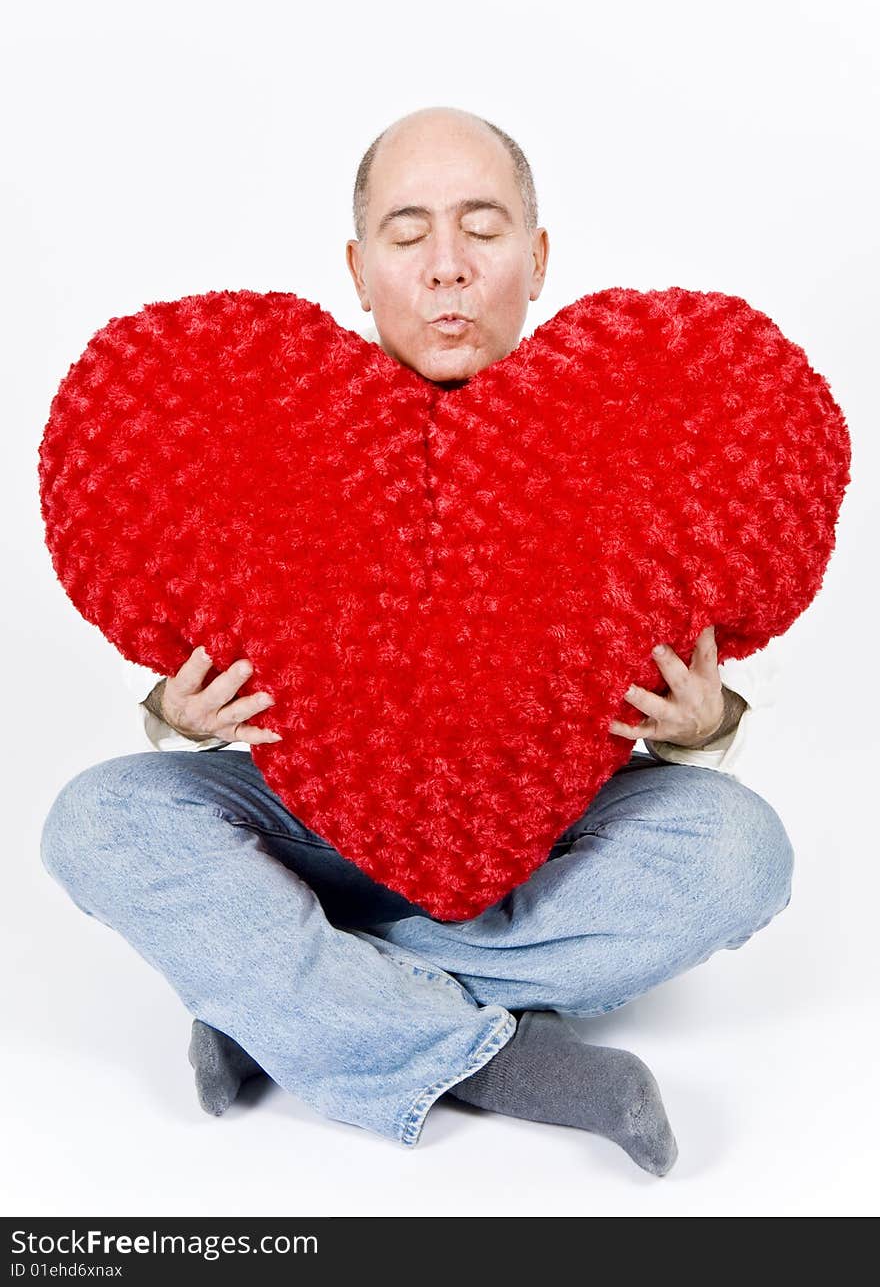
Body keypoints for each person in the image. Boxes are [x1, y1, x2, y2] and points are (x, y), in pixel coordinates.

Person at [40, 106, 793, 1178]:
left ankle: (284, 998)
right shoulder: (267, 423)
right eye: (409, 233)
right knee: (96, 820)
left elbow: (676, 657)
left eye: (481, 230)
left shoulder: (623, 431)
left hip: (543, 821)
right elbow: (192, 616)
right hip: (310, 814)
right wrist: (177, 709)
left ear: (536, 259)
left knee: (742, 851)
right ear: (358, 267)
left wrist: (704, 722)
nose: (447, 266)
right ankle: (488, 1058)